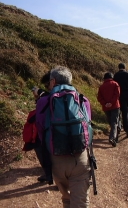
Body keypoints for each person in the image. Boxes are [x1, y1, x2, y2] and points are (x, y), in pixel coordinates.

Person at [36, 66, 92, 208]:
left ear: (53, 81)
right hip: (80, 158)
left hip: (56, 159)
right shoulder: (83, 99)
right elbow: (88, 127)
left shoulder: (43, 102)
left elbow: (41, 130)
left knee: (66, 198)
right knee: (79, 202)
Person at [23, 71, 53, 185]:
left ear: (52, 81)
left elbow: (41, 114)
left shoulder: (50, 95)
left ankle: (49, 173)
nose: (46, 87)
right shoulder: (71, 93)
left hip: (49, 130)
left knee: (38, 144)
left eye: (46, 85)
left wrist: (40, 94)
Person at [113, 63, 128, 138]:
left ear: (119, 67)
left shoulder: (116, 75)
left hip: (121, 95)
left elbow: (114, 86)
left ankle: (126, 127)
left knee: (124, 111)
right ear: (124, 67)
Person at [97, 72, 120, 147]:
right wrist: (111, 102)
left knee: (111, 122)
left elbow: (99, 97)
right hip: (115, 106)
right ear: (112, 77)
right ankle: (112, 138)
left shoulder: (101, 86)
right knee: (114, 122)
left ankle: (115, 133)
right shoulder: (115, 84)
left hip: (106, 107)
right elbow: (117, 94)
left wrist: (105, 103)